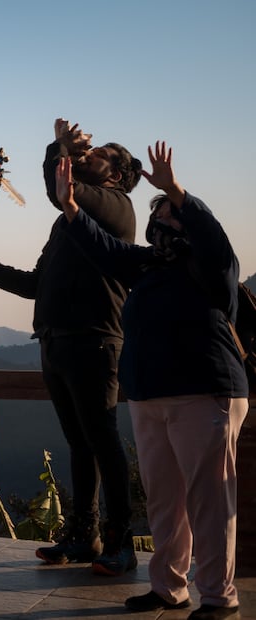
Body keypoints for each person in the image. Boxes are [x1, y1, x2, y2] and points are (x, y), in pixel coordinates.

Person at [55, 144, 247, 620]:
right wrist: (72, 207)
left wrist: (177, 192)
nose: (162, 224)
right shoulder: (146, 266)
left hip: (206, 392)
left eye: (171, 216)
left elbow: (214, 239)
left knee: (208, 500)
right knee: (165, 501)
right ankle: (168, 588)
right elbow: (103, 248)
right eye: (157, 215)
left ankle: (220, 598)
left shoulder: (210, 267)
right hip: (149, 396)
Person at [0, 118, 143, 575]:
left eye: (98, 154)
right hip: (56, 342)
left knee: (102, 440)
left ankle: (120, 542)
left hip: (96, 341)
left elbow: (59, 188)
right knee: (81, 444)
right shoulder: (66, 223)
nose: (89, 157)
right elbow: (36, 284)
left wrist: (59, 147)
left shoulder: (117, 208)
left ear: (116, 176)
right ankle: (85, 535)